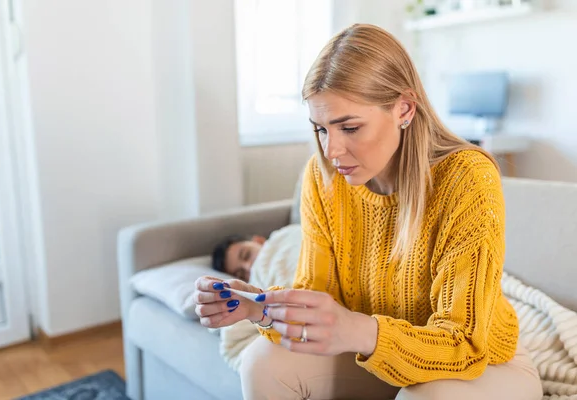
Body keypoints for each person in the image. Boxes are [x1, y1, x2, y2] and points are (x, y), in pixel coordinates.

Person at [194, 24, 543, 400]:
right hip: (372, 352)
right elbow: (317, 301)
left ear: (404, 109)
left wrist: (359, 330)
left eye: (350, 127)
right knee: (261, 361)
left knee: (425, 396)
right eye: (321, 129)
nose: (331, 151)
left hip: (479, 363)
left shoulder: (467, 178)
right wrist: (260, 309)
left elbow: (464, 343)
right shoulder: (323, 177)